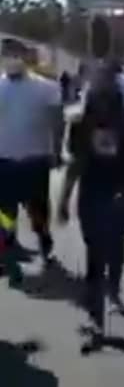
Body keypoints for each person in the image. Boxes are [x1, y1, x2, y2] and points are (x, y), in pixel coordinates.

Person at [61, 61, 124, 352]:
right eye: (96, 85)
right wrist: (64, 200)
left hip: (119, 195)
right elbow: (75, 164)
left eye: (107, 85)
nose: (101, 92)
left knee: (115, 249)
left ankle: (113, 292)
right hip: (92, 195)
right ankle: (96, 315)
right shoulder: (79, 124)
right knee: (95, 253)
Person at [0, 38, 63, 266]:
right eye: (6, 54)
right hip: (4, 159)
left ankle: (44, 242)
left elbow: (57, 122)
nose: (11, 59)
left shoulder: (45, 87)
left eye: (15, 54)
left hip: (34, 159)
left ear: (25, 57)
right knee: (4, 210)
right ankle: (7, 246)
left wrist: (56, 150)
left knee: (37, 208)